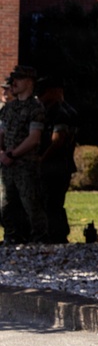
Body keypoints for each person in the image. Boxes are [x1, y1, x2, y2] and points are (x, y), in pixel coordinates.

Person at [0, 65, 48, 244]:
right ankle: (11, 237)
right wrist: (2, 153)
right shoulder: (8, 108)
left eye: (18, 79)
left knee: (31, 204)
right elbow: (1, 133)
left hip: (26, 166)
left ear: (29, 82)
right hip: (7, 166)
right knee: (5, 205)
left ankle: (39, 239)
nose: (14, 83)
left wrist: (12, 154)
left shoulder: (35, 108)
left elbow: (34, 138)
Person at [37, 77, 78, 244]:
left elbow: (58, 141)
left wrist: (41, 159)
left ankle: (57, 235)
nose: (41, 97)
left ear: (55, 91)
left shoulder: (61, 113)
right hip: (55, 164)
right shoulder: (52, 110)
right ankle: (54, 233)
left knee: (53, 202)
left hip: (57, 165)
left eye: (44, 92)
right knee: (49, 201)